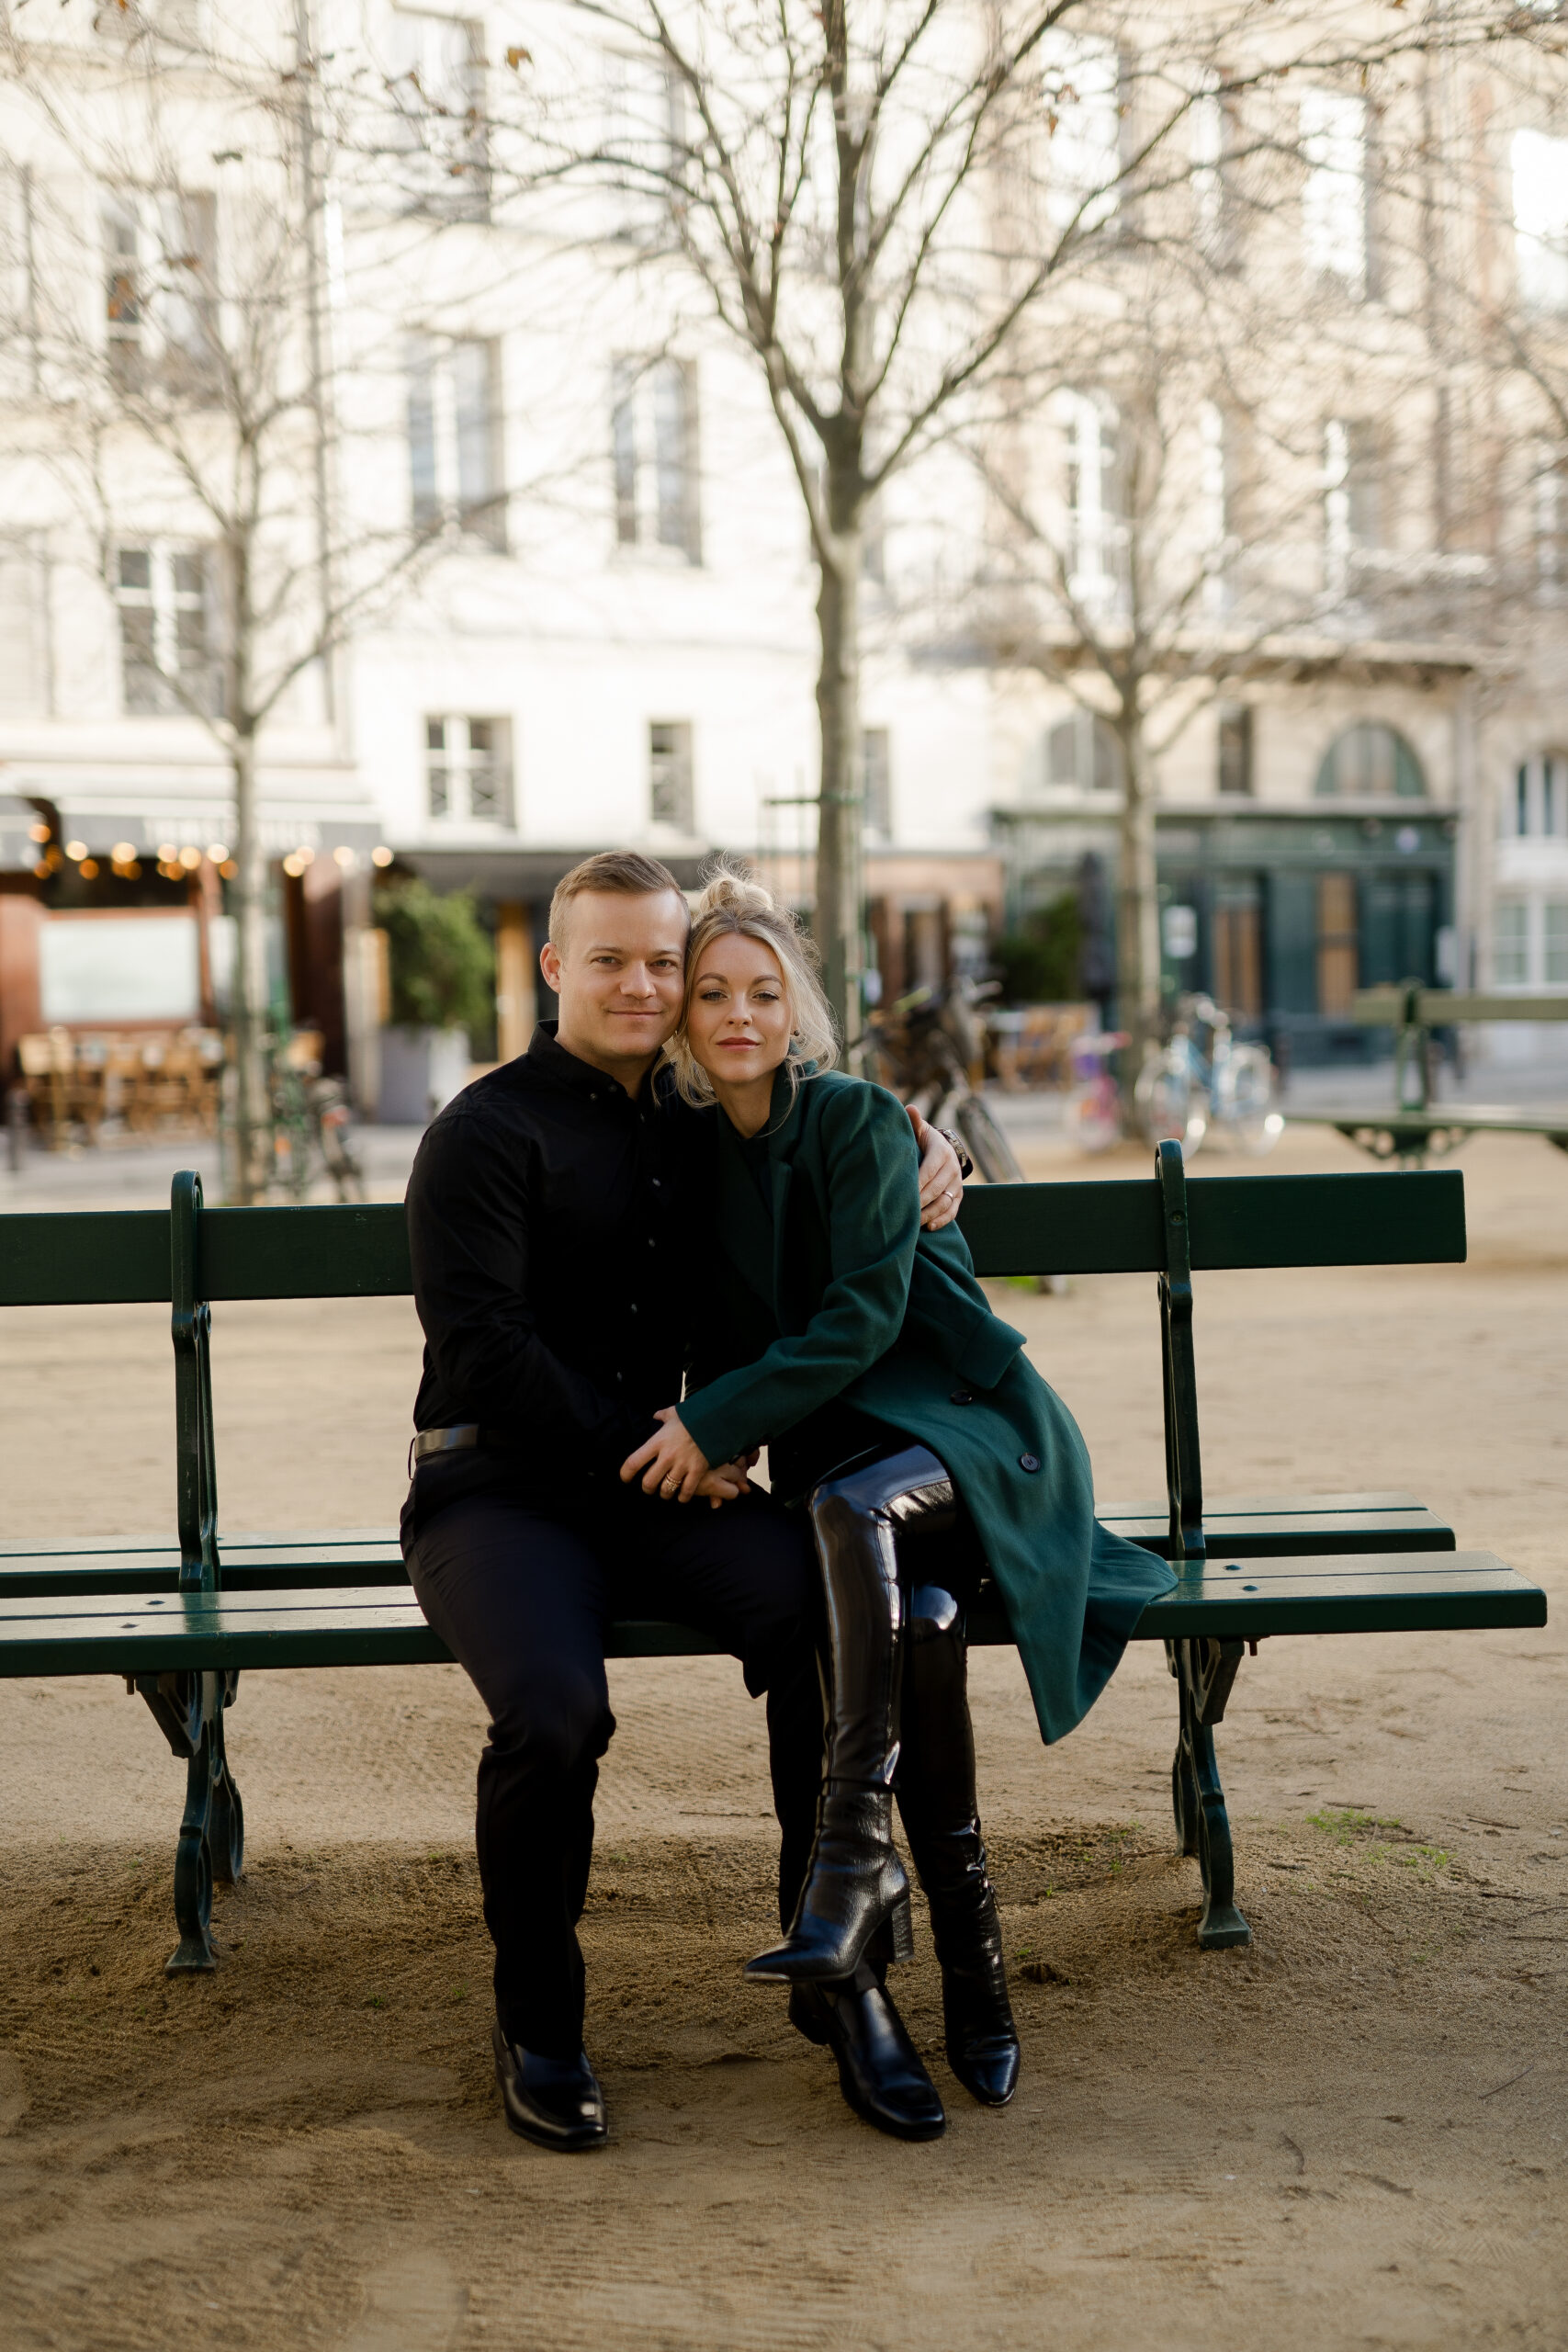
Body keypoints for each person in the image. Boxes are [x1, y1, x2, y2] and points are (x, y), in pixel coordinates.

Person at [400, 851, 964, 2154]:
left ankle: (842, 1976)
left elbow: (823, 1128)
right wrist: (669, 1447)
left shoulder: (693, 1117)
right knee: (553, 1713)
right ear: (554, 970)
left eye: (665, 961)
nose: (645, 984)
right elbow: (482, 1343)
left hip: (660, 1489)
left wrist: (930, 1146)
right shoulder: (482, 1132)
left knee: (830, 1620)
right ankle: (539, 2021)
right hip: (498, 1493)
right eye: (611, 960)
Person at [624, 872, 1179, 2140]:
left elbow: (866, 1317)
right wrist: (705, 1426)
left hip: (971, 1442)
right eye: (710, 994)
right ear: (685, 1020)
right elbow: (706, 1329)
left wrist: (716, 1424)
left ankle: (842, 1870)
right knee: (914, 1620)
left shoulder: (866, 1122)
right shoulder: (693, 1153)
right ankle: (955, 1979)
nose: (737, 1014)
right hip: (840, 1477)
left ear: (802, 1008)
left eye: (764, 992)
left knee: (844, 1520)